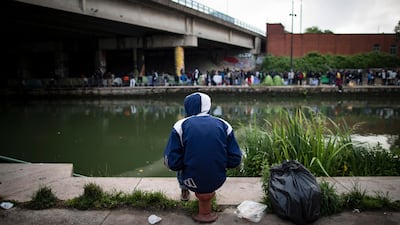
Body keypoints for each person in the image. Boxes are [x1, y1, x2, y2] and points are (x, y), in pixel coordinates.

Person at [163, 92, 242, 201]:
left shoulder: (180, 125)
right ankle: (210, 185)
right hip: (218, 180)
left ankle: (184, 189)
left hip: (190, 180)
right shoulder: (224, 124)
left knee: (182, 156)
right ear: (209, 106)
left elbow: (171, 161)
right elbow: (235, 159)